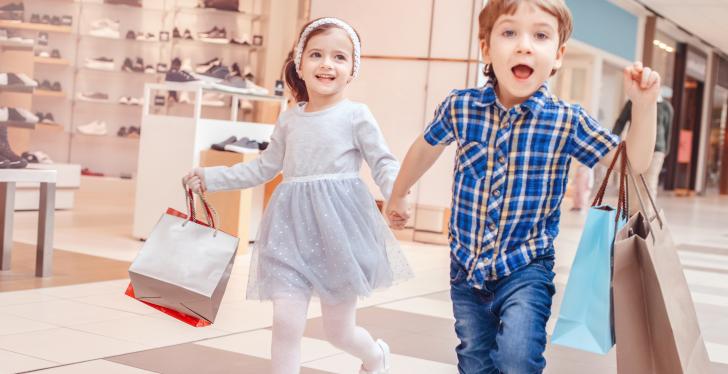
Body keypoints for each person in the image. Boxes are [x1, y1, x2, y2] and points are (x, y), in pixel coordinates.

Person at [385, 0, 660, 372]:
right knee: (473, 358)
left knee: (518, 357)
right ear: (485, 47)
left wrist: (644, 107)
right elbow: (425, 148)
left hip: (527, 266)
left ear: (558, 54)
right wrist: (399, 192)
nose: (524, 45)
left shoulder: (567, 121)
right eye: (509, 32)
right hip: (466, 266)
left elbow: (633, 165)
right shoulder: (461, 107)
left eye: (541, 35)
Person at [183, 17, 411, 374]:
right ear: (300, 65)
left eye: (339, 57)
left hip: (339, 232)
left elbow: (383, 162)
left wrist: (397, 197)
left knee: (339, 331)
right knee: (287, 323)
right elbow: (262, 168)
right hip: (289, 232)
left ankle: (375, 356)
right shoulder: (289, 120)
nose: (327, 64)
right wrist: (210, 177)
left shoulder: (356, 116)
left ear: (352, 70)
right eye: (317, 54)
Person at [613, 85, 674, 198]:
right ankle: (631, 214)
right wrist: (612, 140)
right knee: (632, 184)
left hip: (657, 150)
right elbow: (620, 122)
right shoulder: (632, 102)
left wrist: (665, 151)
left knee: (649, 184)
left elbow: (668, 131)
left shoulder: (666, 107)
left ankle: (646, 215)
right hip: (635, 148)